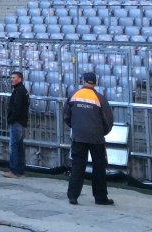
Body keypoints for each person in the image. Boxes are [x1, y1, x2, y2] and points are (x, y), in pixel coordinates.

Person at [63, 71, 114, 206]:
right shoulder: (100, 98)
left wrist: (75, 128)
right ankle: (100, 198)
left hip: (78, 137)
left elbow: (66, 116)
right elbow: (108, 120)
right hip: (96, 138)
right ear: (95, 83)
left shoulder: (74, 95)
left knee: (77, 166)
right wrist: (103, 132)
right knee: (99, 168)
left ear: (83, 81)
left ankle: (73, 196)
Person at [2, 70, 29, 178]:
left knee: (14, 146)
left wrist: (11, 119)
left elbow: (16, 108)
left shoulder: (19, 91)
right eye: (11, 77)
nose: (11, 79)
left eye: (14, 77)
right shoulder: (22, 90)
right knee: (19, 147)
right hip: (21, 122)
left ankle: (13, 171)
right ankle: (20, 171)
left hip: (17, 122)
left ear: (20, 79)